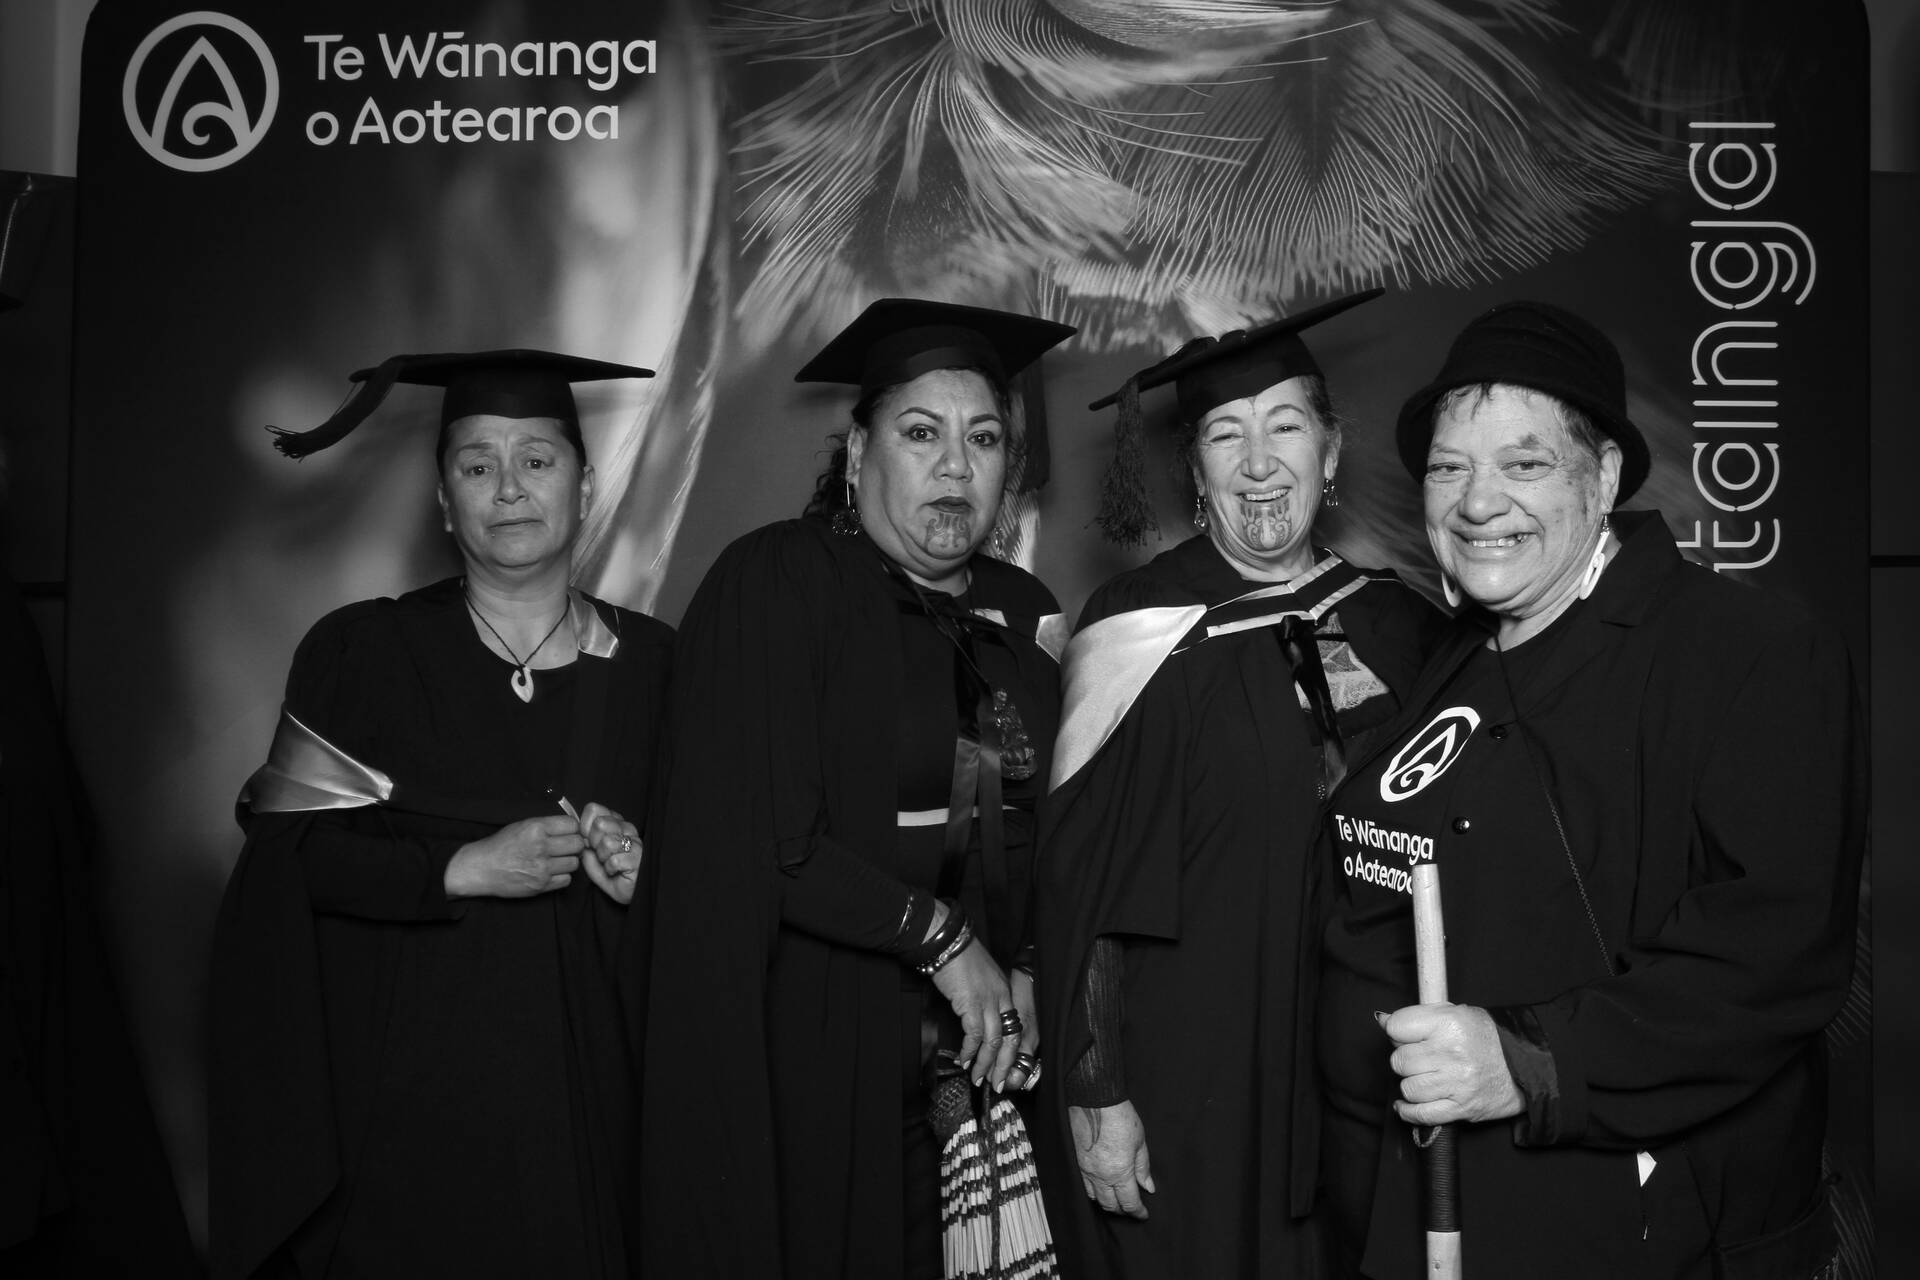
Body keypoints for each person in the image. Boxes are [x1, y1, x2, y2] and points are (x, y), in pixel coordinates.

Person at [1316, 301, 1865, 1278]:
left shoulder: (1751, 652)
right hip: (1422, 1211)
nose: (1478, 502)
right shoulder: (1452, 658)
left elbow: (1773, 954)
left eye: (1524, 463)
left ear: (1603, 475)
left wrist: (1528, 1062)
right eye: (1449, 467)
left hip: (1638, 1228)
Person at [208, 351, 672, 1280]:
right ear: (443, 501)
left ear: (585, 487)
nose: (509, 488)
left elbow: (717, 888)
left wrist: (647, 872)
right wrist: (460, 870)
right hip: (412, 1115)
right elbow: (288, 864)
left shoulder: (659, 667)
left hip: (597, 1111)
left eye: (537, 459)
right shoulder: (364, 654)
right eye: (476, 464)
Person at [638, 299, 1074, 1280]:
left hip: (997, 1069)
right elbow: (767, 839)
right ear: (858, 453)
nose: (956, 466)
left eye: (984, 438)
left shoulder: (1025, 615)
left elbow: (1065, 824)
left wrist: (1031, 966)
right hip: (833, 1050)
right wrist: (947, 942)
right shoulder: (784, 581)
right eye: (921, 434)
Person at [1037, 290, 1440, 1279]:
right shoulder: (1139, 629)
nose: (1260, 462)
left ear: (1331, 453)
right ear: (1196, 471)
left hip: (1367, 1075)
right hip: (1193, 1073)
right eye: (1227, 435)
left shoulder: (1398, 624)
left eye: (1286, 427)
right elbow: (1083, 885)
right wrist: (1096, 1087)